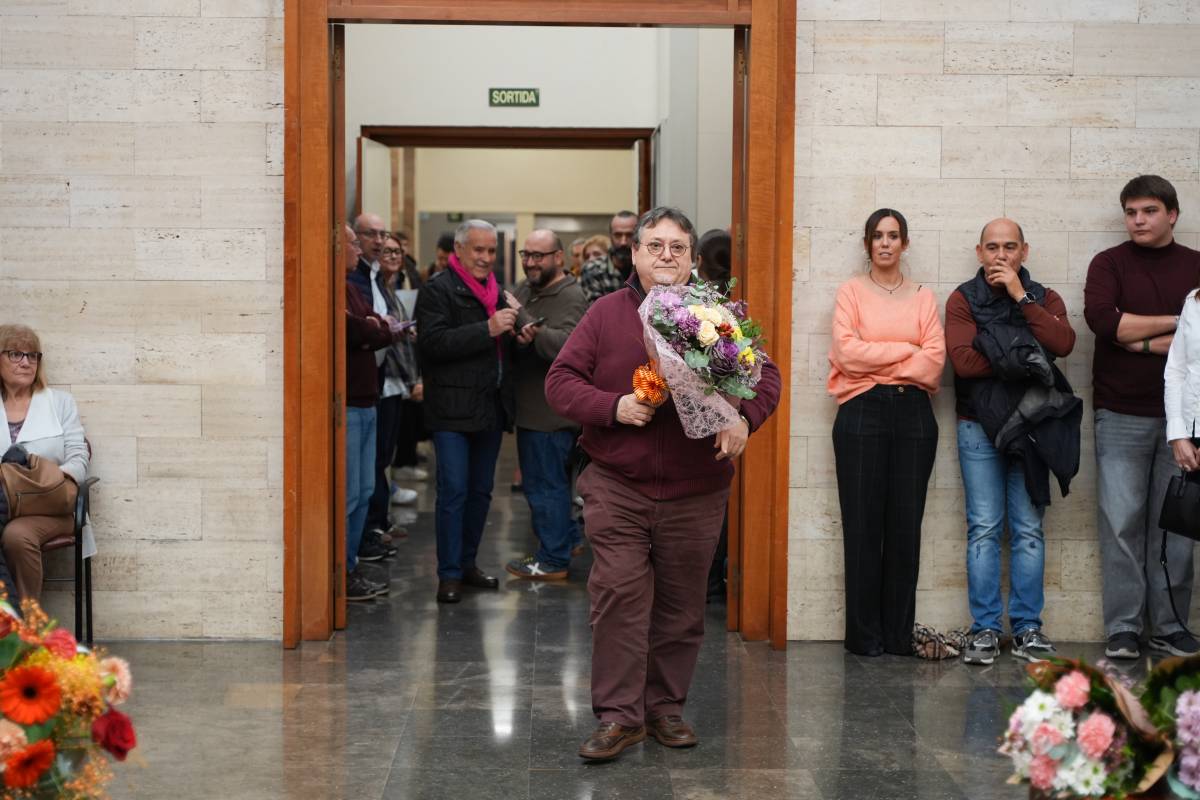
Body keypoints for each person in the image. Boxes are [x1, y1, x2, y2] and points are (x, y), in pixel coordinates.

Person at [545, 206, 780, 761]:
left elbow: (764, 375)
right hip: (617, 486)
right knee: (619, 599)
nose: (666, 255)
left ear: (694, 258)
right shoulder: (605, 314)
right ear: (635, 254)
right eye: (655, 246)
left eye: (677, 247)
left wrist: (744, 421)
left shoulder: (717, 315)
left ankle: (665, 710)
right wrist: (613, 406)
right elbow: (560, 382)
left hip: (696, 491)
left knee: (680, 608)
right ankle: (618, 719)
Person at [947, 218, 1078, 666]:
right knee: (983, 528)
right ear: (979, 251)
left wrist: (1021, 299)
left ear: (1024, 251)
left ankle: (1027, 629)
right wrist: (1028, 356)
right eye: (992, 247)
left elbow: (1062, 342)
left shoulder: (1044, 297)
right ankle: (984, 628)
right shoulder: (963, 299)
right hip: (977, 426)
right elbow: (963, 363)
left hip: (1033, 427)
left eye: (1009, 247)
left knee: (1027, 530)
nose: (1000, 255)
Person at [1085, 174, 1200, 659]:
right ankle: (1125, 628)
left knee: (1176, 524)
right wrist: (1183, 320)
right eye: (1131, 212)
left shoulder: (1196, 266)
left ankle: (1171, 626)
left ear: (1172, 214)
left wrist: (1141, 340)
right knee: (1121, 522)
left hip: (1187, 422)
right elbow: (1105, 322)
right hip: (1120, 411)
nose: (1138, 220)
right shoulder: (1109, 263)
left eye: (1149, 211)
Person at [828, 208, 945, 657]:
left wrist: (882, 357)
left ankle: (898, 636)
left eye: (893, 236)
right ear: (867, 243)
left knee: (904, 527)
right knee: (862, 527)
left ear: (905, 243)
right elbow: (846, 353)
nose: (885, 244)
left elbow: (933, 362)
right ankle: (864, 638)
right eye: (877, 236)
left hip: (914, 414)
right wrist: (905, 351)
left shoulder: (921, 296)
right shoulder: (851, 293)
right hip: (860, 412)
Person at [416, 219, 517, 604]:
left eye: (491, 251)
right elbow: (432, 343)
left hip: (489, 406)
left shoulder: (498, 292)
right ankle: (448, 574)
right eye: (478, 250)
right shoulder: (436, 290)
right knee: (453, 492)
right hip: (451, 410)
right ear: (458, 250)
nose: (486, 258)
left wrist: (517, 335)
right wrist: (487, 329)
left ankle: (468, 564)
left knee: (480, 493)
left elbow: (499, 348)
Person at [504, 230, 587, 581]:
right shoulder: (526, 288)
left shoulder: (571, 295)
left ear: (559, 257)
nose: (531, 262)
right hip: (530, 408)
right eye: (527, 254)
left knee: (546, 488)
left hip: (551, 415)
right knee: (545, 486)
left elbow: (568, 346)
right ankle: (566, 539)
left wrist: (526, 324)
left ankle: (553, 560)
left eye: (540, 255)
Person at [0, 325, 79, 603]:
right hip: (9, 511)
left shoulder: (60, 403)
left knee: (17, 534)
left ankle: (24, 626)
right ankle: (15, 625)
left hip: (49, 505)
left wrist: (49, 481)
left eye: (32, 356)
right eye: (15, 353)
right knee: (13, 533)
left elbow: (79, 460)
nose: (25, 361)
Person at [342, 224, 396, 601]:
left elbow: (376, 328)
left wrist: (373, 327)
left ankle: (351, 563)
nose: (359, 250)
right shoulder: (333, 287)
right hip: (346, 402)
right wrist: (373, 327)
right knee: (348, 495)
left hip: (367, 397)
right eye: (351, 242)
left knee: (363, 490)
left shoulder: (349, 287)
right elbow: (357, 329)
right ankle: (341, 572)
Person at [580, 211, 639, 304]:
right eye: (618, 235)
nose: (623, 242)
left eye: (629, 235)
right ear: (610, 236)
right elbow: (598, 312)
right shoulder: (593, 269)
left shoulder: (646, 269)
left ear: (639, 237)